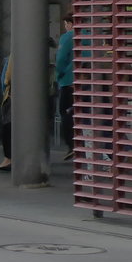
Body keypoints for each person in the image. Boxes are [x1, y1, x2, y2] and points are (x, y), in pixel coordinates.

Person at [57, 13, 75, 160]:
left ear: (70, 23)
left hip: (68, 82)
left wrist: (59, 75)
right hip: (87, 82)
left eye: (66, 23)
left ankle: (71, 145)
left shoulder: (68, 37)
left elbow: (61, 59)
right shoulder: (90, 35)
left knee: (65, 112)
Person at [0, 56, 12, 171]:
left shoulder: (16, 52)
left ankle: (9, 158)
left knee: (7, 126)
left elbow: (6, 77)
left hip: (12, 95)